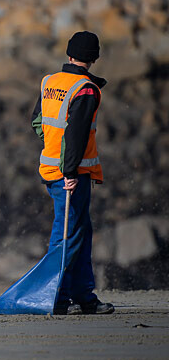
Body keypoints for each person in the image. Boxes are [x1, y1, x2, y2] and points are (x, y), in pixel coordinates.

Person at [31, 31, 114, 315]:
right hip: (71, 173)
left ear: (69, 54)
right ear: (94, 58)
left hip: (50, 167)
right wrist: (69, 171)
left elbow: (37, 121)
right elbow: (77, 135)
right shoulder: (86, 89)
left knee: (80, 231)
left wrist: (52, 143)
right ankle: (56, 297)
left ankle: (83, 296)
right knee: (66, 235)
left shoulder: (49, 82)